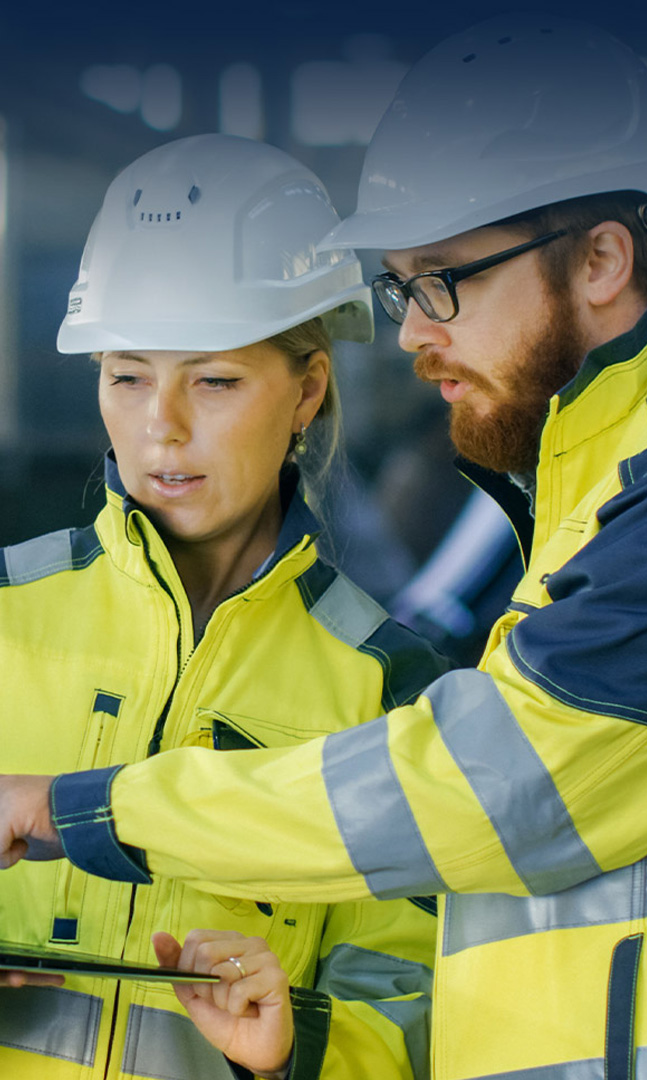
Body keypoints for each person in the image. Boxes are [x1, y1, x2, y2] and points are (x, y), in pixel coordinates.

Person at [2, 12, 647, 1079]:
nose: (410, 332)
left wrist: (73, 807)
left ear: (600, 258)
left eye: (443, 278)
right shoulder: (607, 480)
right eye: (125, 374)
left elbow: (496, 794)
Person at [0, 132, 452, 1080]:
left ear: (306, 392)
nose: (160, 424)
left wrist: (292, 1049)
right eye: (126, 377)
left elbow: (414, 1012)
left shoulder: (391, 693)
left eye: (213, 380)